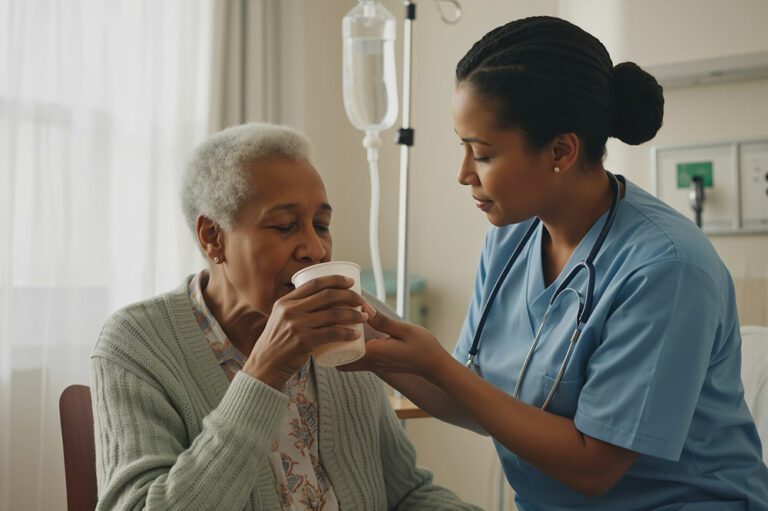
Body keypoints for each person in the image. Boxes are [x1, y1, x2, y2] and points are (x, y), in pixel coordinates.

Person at [346, 15, 768, 510]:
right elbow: (472, 398)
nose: (463, 174)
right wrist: (362, 341)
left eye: (481, 154)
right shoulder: (511, 241)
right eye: (462, 146)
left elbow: (593, 468)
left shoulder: (667, 268)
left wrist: (439, 364)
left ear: (561, 151)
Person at [91, 123, 480, 510]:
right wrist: (264, 374)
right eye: (284, 226)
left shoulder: (352, 324)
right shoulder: (137, 344)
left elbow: (406, 495)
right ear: (213, 237)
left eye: (322, 226)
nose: (315, 248)